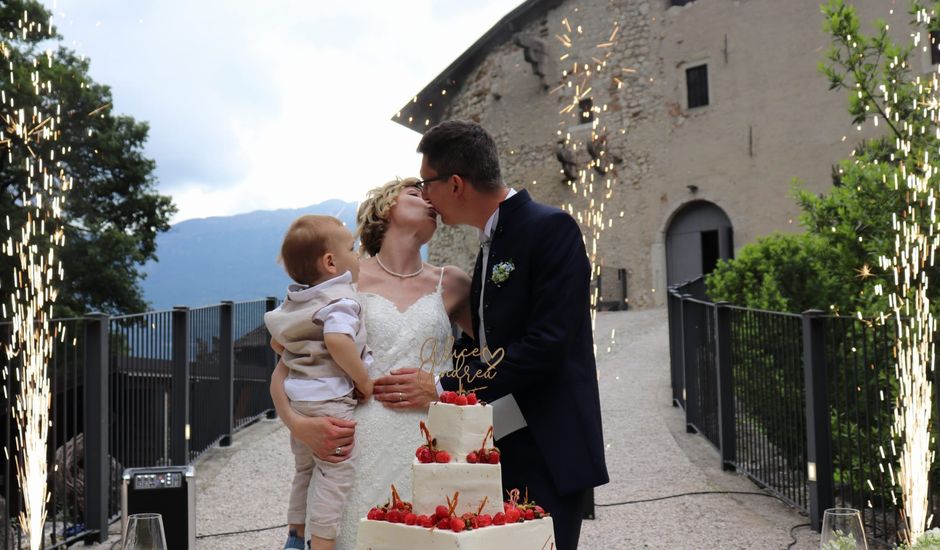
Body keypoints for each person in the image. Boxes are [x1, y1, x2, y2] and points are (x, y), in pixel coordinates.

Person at [412, 119, 609, 550]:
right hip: (503, 443)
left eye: (426, 183)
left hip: (548, 444)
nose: (425, 196)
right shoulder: (491, 243)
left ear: (457, 184)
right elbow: (485, 339)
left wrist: (447, 385)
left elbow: (547, 345)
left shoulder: (551, 229)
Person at [269, 177, 472, 549]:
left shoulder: (454, 283)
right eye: (415, 193)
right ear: (385, 207)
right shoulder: (342, 279)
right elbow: (287, 364)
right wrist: (299, 424)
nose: (429, 200)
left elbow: (493, 360)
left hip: (433, 445)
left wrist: (443, 388)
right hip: (355, 449)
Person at [264, 215, 373, 550]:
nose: (358, 256)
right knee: (336, 473)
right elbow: (339, 341)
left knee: (305, 469)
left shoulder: (299, 300)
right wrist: (363, 380)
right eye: (352, 250)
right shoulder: (341, 299)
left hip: (298, 397)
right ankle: (322, 544)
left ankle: (295, 534)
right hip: (329, 398)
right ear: (330, 262)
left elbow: (279, 345)